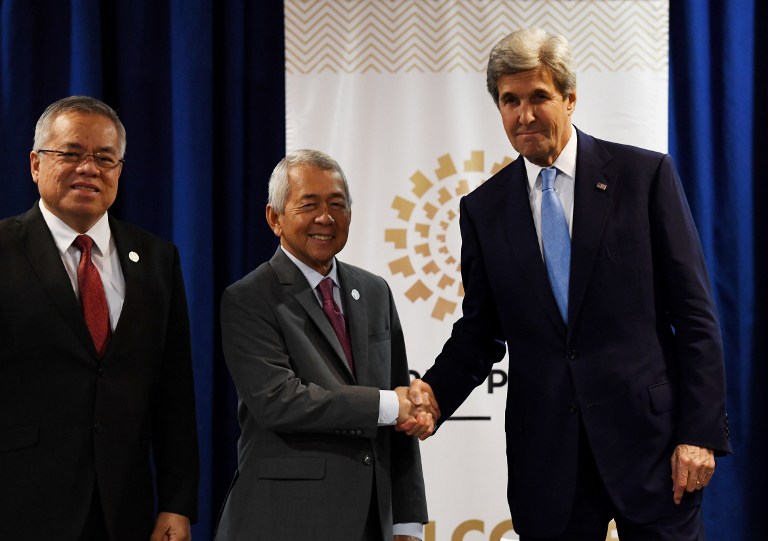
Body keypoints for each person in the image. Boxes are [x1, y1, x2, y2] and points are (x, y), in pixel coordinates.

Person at [406, 27, 731, 540]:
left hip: (654, 451)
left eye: (539, 97)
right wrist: (434, 397)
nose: (524, 115)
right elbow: (481, 332)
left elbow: (694, 316)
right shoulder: (484, 210)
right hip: (548, 457)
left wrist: (699, 434)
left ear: (571, 99)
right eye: (509, 101)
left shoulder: (644, 177)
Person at [0, 96, 199, 540]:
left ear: (119, 171)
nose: (88, 168)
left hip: (124, 508)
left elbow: (174, 394)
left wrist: (177, 503)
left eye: (104, 158)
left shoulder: (155, 258)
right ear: (35, 164)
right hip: (18, 505)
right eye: (70, 153)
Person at [215, 149, 431, 541]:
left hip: (371, 521)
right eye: (308, 205)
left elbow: (401, 415)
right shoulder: (248, 298)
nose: (325, 218)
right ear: (274, 218)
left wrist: (407, 520)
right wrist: (386, 404)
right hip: (284, 520)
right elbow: (279, 401)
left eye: (337, 204)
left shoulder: (375, 291)